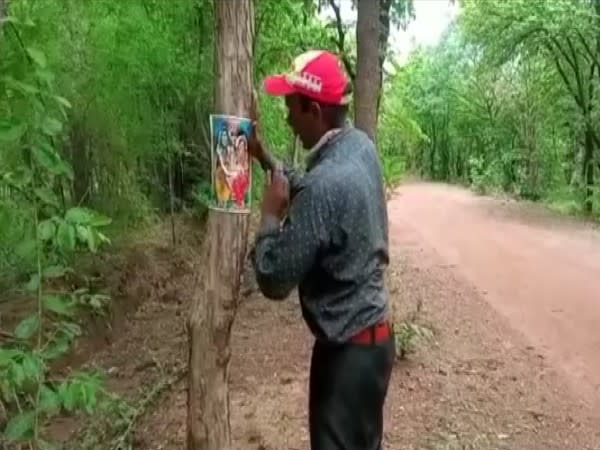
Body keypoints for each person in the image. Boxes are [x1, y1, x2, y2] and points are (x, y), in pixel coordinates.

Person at [247, 49, 395, 450]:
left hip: (346, 359)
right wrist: (263, 157)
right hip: (377, 343)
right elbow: (314, 189)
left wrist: (269, 219)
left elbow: (274, 278)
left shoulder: (324, 185)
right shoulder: (359, 148)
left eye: (291, 107)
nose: (287, 117)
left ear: (314, 109)